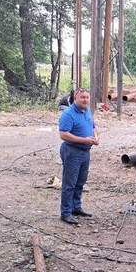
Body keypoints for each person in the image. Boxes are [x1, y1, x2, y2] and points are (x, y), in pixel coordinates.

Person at [58, 88, 99, 225]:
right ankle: (66, 213)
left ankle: (76, 207)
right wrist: (84, 140)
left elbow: (93, 126)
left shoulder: (87, 111)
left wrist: (96, 137)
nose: (85, 100)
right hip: (72, 151)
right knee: (70, 183)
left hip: (85, 151)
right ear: (75, 99)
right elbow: (63, 134)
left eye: (87, 97)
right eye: (82, 97)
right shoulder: (68, 114)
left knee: (80, 181)